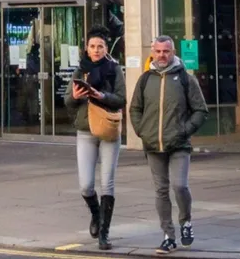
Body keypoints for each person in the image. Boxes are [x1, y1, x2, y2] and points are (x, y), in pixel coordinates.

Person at [129, 36, 209, 255]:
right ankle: (168, 236)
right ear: (153, 52)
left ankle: (186, 221)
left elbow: (201, 110)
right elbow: (135, 108)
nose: (162, 55)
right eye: (158, 51)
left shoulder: (185, 78)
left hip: (179, 144)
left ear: (173, 52)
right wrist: (142, 131)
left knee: (180, 186)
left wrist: (184, 131)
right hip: (153, 144)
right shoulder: (145, 79)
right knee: (161, 191)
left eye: (166, 51)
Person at [64, 27, 126, 250]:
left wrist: (102, 96)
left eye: (100, 46)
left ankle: (104, 233)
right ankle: (95, 213)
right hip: (86, 130)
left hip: (108, 128)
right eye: (92, 46)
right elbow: (67, 102)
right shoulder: (80, 70)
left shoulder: (114, 69)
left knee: (107, 183)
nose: (96, 50)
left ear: (106, 48)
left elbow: (121, 99)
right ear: (86, 49)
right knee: (86, 185)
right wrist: (74, 96)